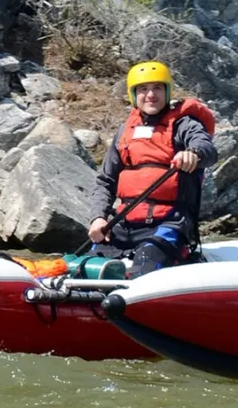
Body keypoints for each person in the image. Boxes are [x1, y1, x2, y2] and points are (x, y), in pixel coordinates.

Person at [88, 61, 217, 278]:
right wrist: (98, 218)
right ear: (133, 94)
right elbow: (105, 181)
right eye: (143, 89)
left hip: (170, 223)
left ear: (167, 92)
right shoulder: (124, 132)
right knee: (87, 267)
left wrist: (193, 153)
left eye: (157, 88)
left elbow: (208, 150)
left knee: (146, 263)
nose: (150, 95)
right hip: (124, 224)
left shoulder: (184, 124)